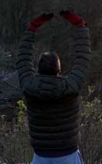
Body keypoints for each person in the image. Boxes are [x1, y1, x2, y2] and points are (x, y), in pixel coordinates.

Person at [16, 10, 91, 164]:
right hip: (68, 156)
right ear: (59, 70)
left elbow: (23, 58)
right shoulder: (70, 87)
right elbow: (83, 57)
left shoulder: (29, 86)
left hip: (40, 157)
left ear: (38, 69)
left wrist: (32, 27)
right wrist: (80, 26)